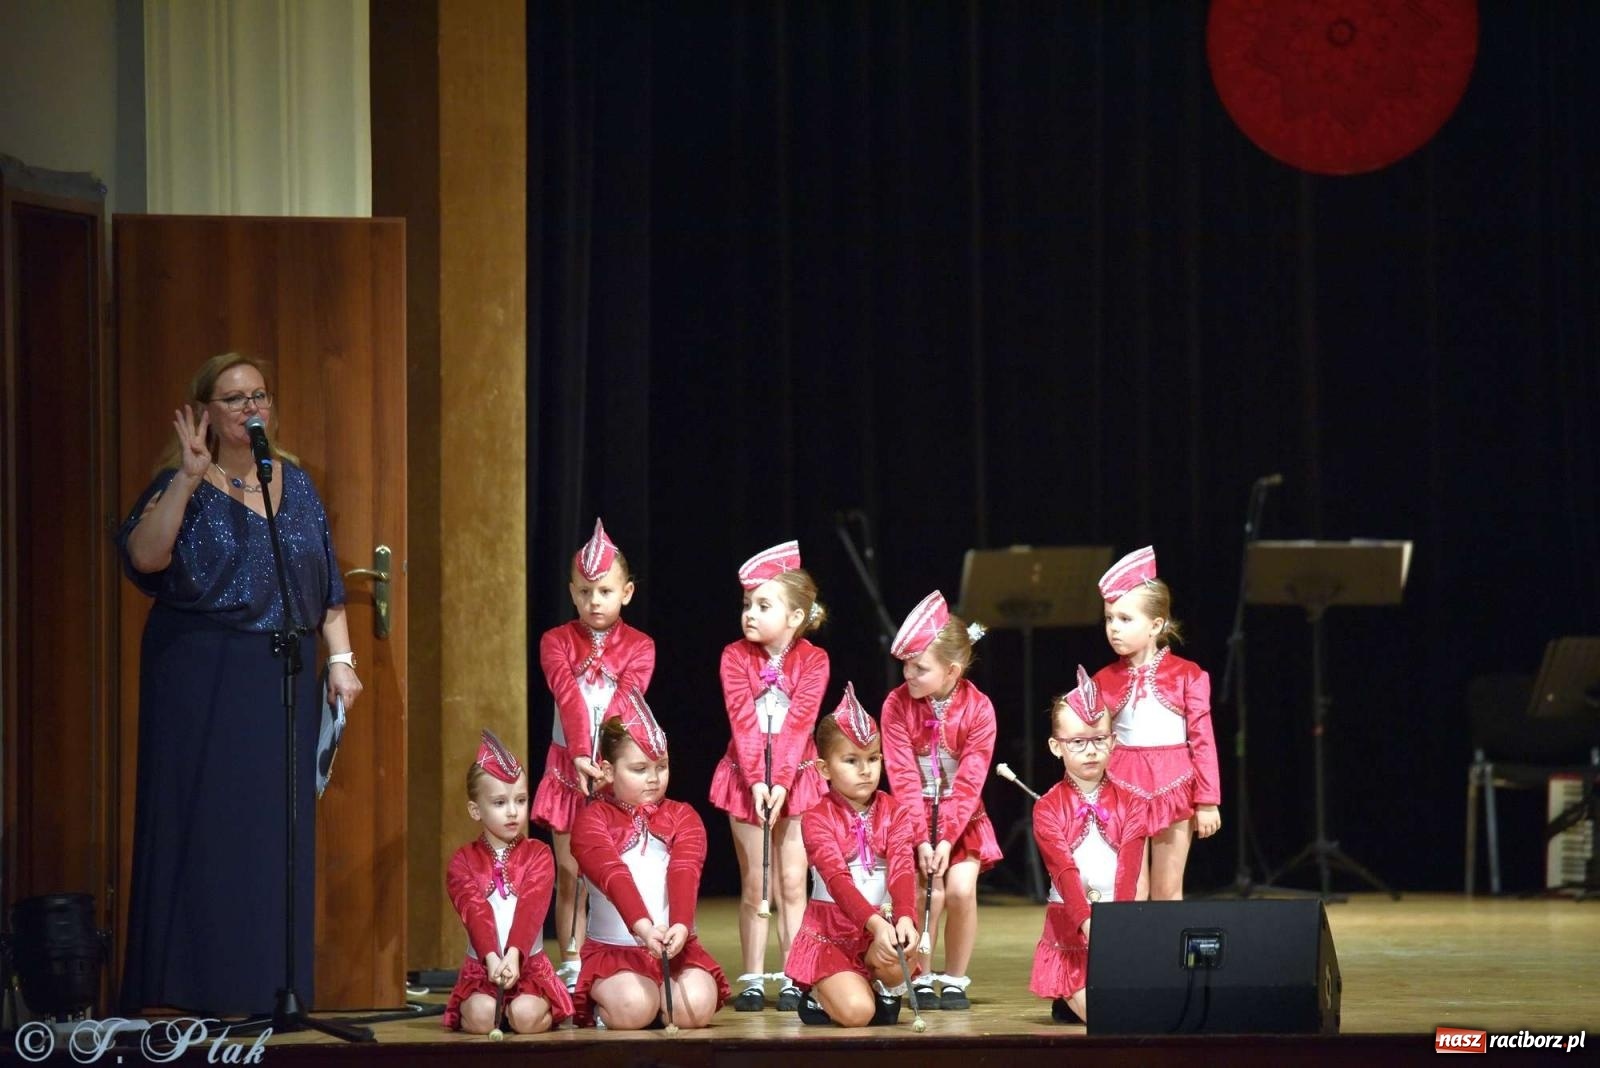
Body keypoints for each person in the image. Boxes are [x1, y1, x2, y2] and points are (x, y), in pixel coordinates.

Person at [117, 352, 360, 1015]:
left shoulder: (297, 483)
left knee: (270, 837)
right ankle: (191, 989)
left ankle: (269, 990)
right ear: (206, 412)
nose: (250, 407)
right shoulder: (181, 482)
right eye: (233, 398)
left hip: (277, 675)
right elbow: (145, 557)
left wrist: (340, 660)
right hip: (200, 673)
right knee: (205, 828)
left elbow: (324, 584)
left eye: (259, 395)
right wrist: (188, 482)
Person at [530, 518, 655, 991]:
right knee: (570, 871)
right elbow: (568, 697)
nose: (593, 601)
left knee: (618, 865)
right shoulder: (555, 642)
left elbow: (625, 705)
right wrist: (582, 755)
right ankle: (572, 960)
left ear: (626, 592)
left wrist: (606, 764)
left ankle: (620, 947)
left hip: (616, 768)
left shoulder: (641, 646)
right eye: (584, 592)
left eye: (603, 591)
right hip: (569, 765)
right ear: (571, 591)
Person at [708, 540, 829, 1012]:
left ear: (795, 616)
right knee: (757, 884)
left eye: (763, 605)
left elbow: (801, 722)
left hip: (795, 780)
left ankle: (795, 975)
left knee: (793, 884)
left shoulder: (814, 660)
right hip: (745, 779)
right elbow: (742, 720)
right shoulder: (734, 656)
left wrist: (780, 782)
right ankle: (754, 975)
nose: (750, 615)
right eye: (746, 605)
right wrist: (759, 781)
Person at [570, 692, 729, 1029]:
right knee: (632, 1009)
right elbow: (612, 875)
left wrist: (681, 926)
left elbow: (685, 869)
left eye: (662, 766)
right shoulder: (591, 819)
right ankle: (615, 1005)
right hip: (617, 950)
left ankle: (659, 999)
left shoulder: (683, 815)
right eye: (640, 769)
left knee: (696, 1010)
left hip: (676, 945)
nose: (654, 778)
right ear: (609, 770)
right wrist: (642, 928)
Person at [880, 590, 1000, 1010]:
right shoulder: (896, 705)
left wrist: (946, 837)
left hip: (961, 819)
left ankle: (954, 977)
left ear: (952, 670)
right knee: (926, 893)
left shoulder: (980, 709)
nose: (908, 674)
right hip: (913, 818)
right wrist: (920, 839)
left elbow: (970, 781)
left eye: (919, 668)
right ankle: (922, 973)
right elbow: (902, 777)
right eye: (906, 666)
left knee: (961, 891)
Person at [1091, 546, 1221, 901]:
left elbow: (1203, 740)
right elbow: (1094, 740)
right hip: (1121, 785)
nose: (1113, 629)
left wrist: (1207, 801)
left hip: (1174, 785)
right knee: (1131, 888)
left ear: (1156, 625)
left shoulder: (1187, 675)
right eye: (1109, 619)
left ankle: (1167, 958)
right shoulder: (1103, 679)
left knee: (1167, 888)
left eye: (1125, 619)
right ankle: (1132, 956)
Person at [788, 684, 921, 1027]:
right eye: (851, 761)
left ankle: (883, 987)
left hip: (879, 926)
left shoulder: (894, 811)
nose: (866, 770)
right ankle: (818, 996)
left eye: (873, 759)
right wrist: (876, 924)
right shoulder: (817, 817)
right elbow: (836, 880)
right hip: (832, 932)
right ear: (824, 768)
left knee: (903, 950)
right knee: (859, 1014)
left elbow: (903, 868)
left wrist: (904, 917)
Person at [1030, 667, 1151, 1025]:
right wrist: (1087, 925)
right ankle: (1069, 996)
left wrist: (1119, 928)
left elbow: (1129, 869)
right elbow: (1064, 873)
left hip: (1117, 929)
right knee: (1108, 1016)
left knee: (1143, 1012)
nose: (1091, 751)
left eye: (1099, 739)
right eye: (1078, 742)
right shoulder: (1048, 807)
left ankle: (1071, 1004)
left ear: (1113, 741)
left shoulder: (1133, 802)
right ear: (1056, 746)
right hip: (1070, 932)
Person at [444, 731, 573, 1034]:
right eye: (500, 802)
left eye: (521, 800)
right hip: (483, 969)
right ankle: (494, 1012)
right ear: (476, 810)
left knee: (526, 1017)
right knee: (481, 1017)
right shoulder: (463, 861)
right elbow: (475, 912)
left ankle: (524, 1013)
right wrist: (492, 959)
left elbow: (531, 909)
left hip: (528, 966)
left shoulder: (538, 854)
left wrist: (514, 955)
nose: (513, 812)